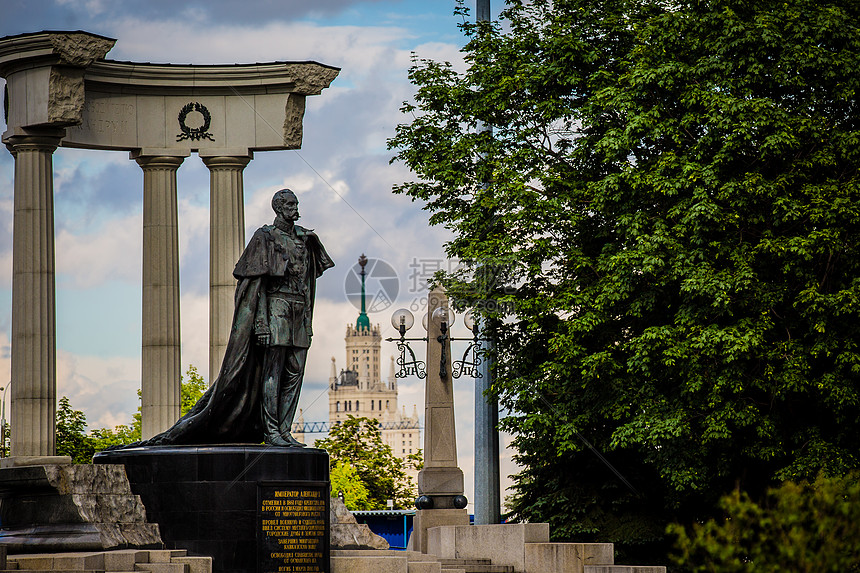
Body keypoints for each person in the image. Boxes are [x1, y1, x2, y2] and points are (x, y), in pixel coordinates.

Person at [139, 189, 333, 446]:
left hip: (299, 312)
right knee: (272, 373)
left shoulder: (304, 239)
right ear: (277, 207)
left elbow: (307, 283)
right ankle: (272, 432)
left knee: (294, 372)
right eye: (289, 204)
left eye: (295, 203)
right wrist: (261, 323)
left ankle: (285, 431)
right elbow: (256, 286)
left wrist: (308, 320)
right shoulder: (264, 237)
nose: (294, 208)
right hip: (276, 310)